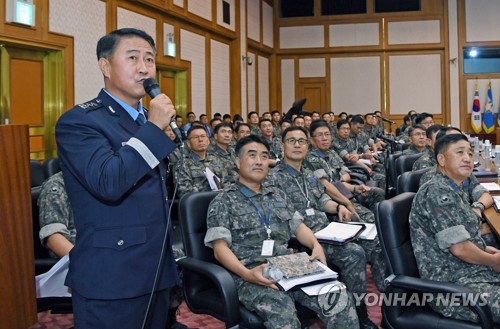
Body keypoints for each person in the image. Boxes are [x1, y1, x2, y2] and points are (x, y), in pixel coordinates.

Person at [55, 28, 179, 328]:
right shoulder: (80, 121)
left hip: (158, 270)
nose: (144, 68)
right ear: (105, 66)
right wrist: (153, 129)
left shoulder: (146, 122)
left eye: (150, 60)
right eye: (133, 57)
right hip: (113, 277)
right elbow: (110, 183)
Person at [205, 135, 359, 329]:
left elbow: (298, 226)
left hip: (288, 264)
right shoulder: (223, 201)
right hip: (252, 271)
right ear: (238, 162)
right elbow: (220, 249)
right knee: (282, 311)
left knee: (338, 296)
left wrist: (315, 245)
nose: (259, 161)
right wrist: (247, 274)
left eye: (264, 156)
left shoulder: (276, 195)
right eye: (252, 156)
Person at [269, 127, 381, 327]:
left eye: (301, 141)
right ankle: (358, 313)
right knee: (354, 253)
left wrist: (338, 206)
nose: (297, 145)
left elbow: (322, 200)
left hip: (327, 231)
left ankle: (366, 308)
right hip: (302, 238)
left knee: (370, 239)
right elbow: (286, 219)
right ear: (281, 145)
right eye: (291, 141)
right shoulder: (273, 178)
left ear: (307, 145)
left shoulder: (309, 173)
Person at [410, 133, 500, 323]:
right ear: (441, 159)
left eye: (469, 152)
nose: (467, 158)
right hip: (453, 287)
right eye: (459, 153)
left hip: (472, 273)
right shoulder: (437, 191)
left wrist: (484, 250)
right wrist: (492, 261)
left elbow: (463, 237)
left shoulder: (454, 188)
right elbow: (459, 248)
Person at [174, 125, 232, 198]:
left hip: (221, 202)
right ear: (188, 143)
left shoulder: (216, 159)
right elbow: (184, 192)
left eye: (203, 136)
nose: (200, 139)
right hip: (200, 203)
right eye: (196, 137)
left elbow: (226, 183)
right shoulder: (183, 163)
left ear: (208, 140)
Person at [38, 171, 75, 258]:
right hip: (77, 262)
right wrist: (88, 263)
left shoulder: (104, 185)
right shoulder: (57, 185)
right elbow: (54, 240)